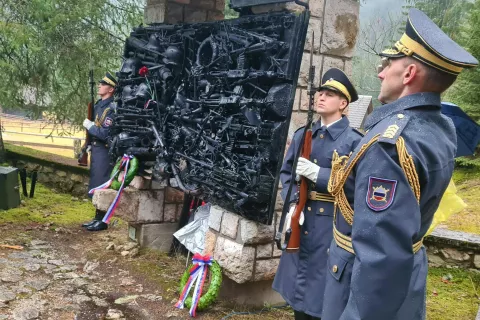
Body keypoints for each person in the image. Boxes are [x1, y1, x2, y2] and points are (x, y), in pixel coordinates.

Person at [322, 8, 478, 320]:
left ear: (408, 75)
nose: (380, 72)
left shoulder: (390, 146)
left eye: (388, 63)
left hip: (365, 291)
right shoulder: (440, 125)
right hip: (407, 280)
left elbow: (380, 257)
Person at [272, 68, 363, 320]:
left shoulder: (354, 141)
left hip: (332, 226)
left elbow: (357, 186)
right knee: (298, 295)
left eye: (330, 94)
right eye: (320, 92)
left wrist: (319, 174)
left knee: (324, 297)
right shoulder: (304, 134)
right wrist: (292, 204)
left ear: (343, 104)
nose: (321, 97)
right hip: (303, 220)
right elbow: (287, 174)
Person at [81, 72, 117, 232]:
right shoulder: (98, 104)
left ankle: (103, 221)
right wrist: (88, 144)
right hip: (96, 149)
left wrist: (90, 127)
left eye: (103, 84)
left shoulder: (111, 108)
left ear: (110, 89)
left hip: (104, 150)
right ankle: (97, 218)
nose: (99, 86)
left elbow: (106, 133)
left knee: (102, 184)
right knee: (96, 184)